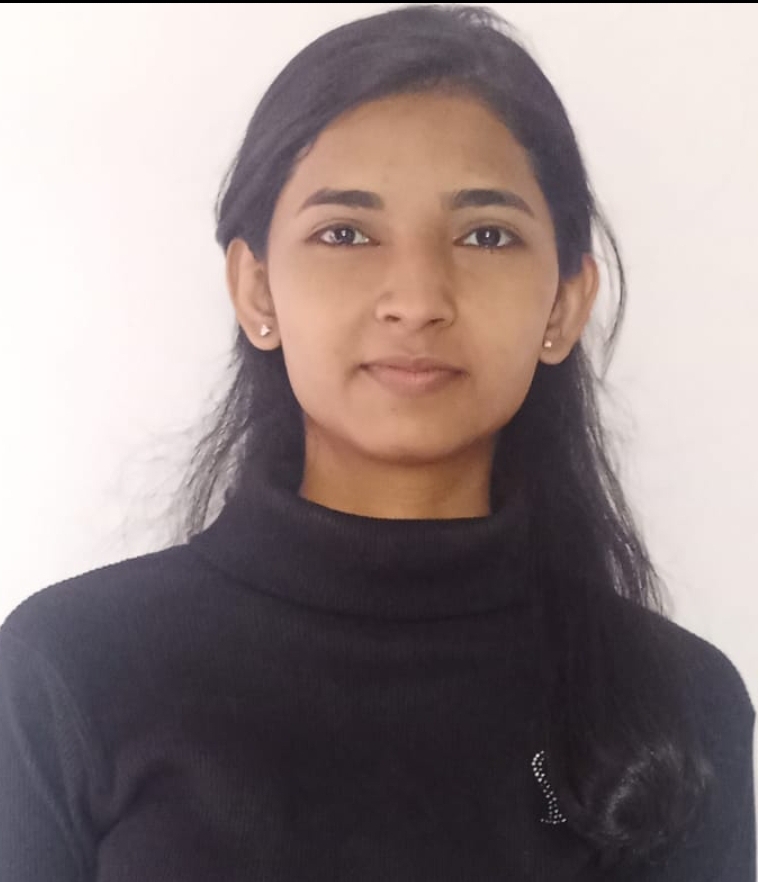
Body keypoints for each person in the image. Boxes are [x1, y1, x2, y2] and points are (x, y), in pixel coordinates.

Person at [0, 4, 754, 880]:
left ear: (563, 305)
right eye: (346, 233)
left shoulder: (677, 705)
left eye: (486, 235)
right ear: (257, 292)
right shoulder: (71, 669)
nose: (417, 299)